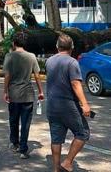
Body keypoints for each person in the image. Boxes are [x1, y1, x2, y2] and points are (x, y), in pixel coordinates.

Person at [46, 34, 91, 172]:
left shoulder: (49, 61)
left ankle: (55, 168)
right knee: (83, 133)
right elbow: (75, 84)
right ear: (72, 47)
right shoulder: (72, 62)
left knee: (56, 138)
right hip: (68, 105)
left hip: (52, 105)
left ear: (57, 47)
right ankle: (68, 162)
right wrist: (85, 104)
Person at [3, 31, 44, 160]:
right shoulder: (31, 56)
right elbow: (37, 76)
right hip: (28, 95)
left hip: (14, 94)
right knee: (26, 123)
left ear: (14, 43)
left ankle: (14, 143)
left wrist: (5, 91)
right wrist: (41, 91)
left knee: (13, 120)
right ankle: (23, 149)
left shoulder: (9, 56)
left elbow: (7, 76)